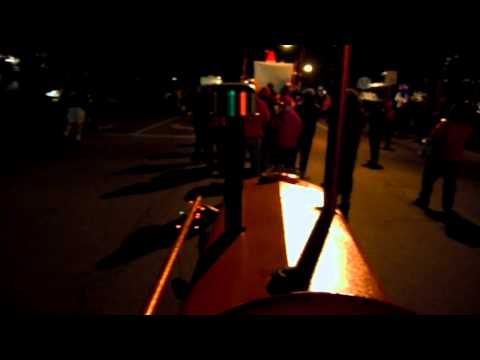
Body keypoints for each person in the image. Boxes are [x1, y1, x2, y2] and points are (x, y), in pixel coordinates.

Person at [413, 101, 476, 216]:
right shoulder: (467, 128)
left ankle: (423, 200)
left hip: (440, 157)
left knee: (428, 180)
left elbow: (433, 137)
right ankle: (447, 208)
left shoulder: (445, 124)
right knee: (449, 186)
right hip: (454, 159)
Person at [337, 89, 367, 218]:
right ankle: (345, 200)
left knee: (343, 172)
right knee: (347, 173)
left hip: (346, 145)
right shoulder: (359, 113)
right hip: (351, 147)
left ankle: (343, 199)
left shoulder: (349, 114)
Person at [296, 88, 323, 178]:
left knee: (295, 150)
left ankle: (292, 168)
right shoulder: (316, 108)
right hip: (309, 132)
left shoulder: (299, 107)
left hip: (299, 131)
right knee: (305, 153)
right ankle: (302, 171)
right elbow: (319, 115)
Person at [272, 97, 303, 171]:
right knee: (288, 165)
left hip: (281, 143)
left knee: (280, 164)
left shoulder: (281, 116)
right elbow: (299, 130)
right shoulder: (296, 117)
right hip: (292, 144)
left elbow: (274, 126)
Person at [244, 94, 271, 175]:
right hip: (257, 134)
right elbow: (267, 117)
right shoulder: (262, 104)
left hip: (244, 134)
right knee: (255, 157)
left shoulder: (243, 103)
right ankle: (255, 174)